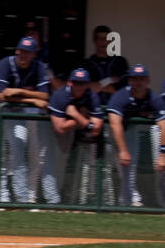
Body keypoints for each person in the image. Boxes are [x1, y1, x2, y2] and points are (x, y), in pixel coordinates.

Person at [0, 35, 55, 206]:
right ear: (16, 51)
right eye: (21, 51)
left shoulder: (38, 66)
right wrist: (32, 99)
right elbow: (2, 95)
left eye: (28, 52)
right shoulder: (5, 63)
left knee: (18, 150)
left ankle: (21, 198)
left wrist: (19, 92)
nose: (23, 55)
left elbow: (45, 95)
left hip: (17, 110)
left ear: (34, 54)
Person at [106, 63, 165, 207]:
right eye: (135, 79)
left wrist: (163, 154)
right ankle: (111, 204)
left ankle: (128, 203)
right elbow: (114, 124)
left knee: (129, 166)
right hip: (110, 131)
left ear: (147, 81)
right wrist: (123, 150)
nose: (138, 83)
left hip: (130, 129)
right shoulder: (121, 96)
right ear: (129, 80)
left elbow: (163, 124)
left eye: (142, 79)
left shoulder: (153, 97)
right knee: (107, 168)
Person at [47, 66, 105, 202]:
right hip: (60, 135)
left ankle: (93, 199)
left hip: (82, 132)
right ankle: (54, 199)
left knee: (94, 162)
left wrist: (75, 115)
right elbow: (60, 128)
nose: (79, 86)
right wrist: (85, 120)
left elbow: (96, 129)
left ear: (87, 84)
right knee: (58, 162)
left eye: (82, 83)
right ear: (69, 82)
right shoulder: (60, 95)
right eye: (76, 83)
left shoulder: (91, 96)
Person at [82, 24, 128, 106]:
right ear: (95, 40)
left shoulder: (120, 62)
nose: (103, 42)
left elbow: (124, 90)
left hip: (117, 109)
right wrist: (109, 80)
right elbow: (83, 88)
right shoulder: (86, 63)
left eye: (106, 38)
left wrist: (97, 86)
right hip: (92, 109)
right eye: (100, 38)